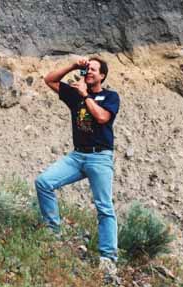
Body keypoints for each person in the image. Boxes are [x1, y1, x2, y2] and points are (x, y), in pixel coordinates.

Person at [35, 57, 120, 268]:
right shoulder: (74, 93)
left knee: (104, 207)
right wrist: (73, 65)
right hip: (77, 156)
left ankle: (108, 258)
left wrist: (85, 95)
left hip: (100, 157)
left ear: (102, 76)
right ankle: (52, 233)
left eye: (93, 69)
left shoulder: (110, 96)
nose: (89, 72)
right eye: (87, 68)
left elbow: (101, 118)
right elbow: (50, 80)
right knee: (44, 182)